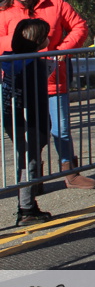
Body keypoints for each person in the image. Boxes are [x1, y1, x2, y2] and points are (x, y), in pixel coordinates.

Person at [0, 0, 95, 189]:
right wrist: (21, 45)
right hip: (20, 82)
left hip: (53, 80)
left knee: (60, 129)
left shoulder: (57, 4)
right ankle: (34, 176)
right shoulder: (5, 10)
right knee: (28, 133)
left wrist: (62, 50)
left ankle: (70, 172)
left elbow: (79, 26)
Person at [2, 19, 52, 225]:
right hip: (30, 121)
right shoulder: (34, 64)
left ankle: (28, 204)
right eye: (46, 35)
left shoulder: (10, 60)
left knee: (25, 160)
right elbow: (37, 98)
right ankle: (26, 210)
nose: (49, 38)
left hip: (12, 117)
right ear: (38, 40)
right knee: (29, 163)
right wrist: (44, 127)